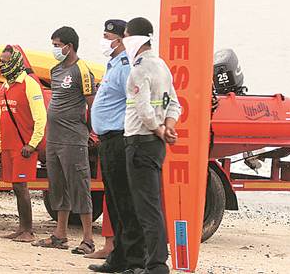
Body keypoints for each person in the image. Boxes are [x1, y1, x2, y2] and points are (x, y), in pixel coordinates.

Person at [120, 17, 181, 274]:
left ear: (134, 37)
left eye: (125, 35)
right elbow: (175, 103)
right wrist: (168, 127)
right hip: (155, 144)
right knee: (151, 205)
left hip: (140, 141)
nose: (123, 41)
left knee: (146, 208)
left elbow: (144, 109)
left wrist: (158, 128)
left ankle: (156, 265)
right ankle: (151, 262)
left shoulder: (139, 69)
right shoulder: (162, 66)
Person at [86, 19, 145, 273]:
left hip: (120, 139)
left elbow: (135, 100)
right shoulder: (112, 65)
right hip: (108, 141)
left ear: (121, 40)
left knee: (125, 201)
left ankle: (134, 261)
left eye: (108, 36)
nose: (104, 40)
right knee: (114, 202)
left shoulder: (124, 67)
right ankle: (118, 257)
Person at [34, 26, 96, 255]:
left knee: (79, 186)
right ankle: (60, 234)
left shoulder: (83, 70)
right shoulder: (55, 70)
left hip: (73, 139)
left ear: (69, 46)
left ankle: (88, 239)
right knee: (57, 186)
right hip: (54, 138)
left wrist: (91, 131)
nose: (54, 49)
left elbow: (93, 103)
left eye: (57, 45)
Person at [0, 45, 47, 242]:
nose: (1, 65)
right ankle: (21, 228)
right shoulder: (5, 87)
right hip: (8, 144)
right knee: (15, 186)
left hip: (24, 147)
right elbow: (1, 118)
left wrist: (32, 144)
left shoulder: (29, 84)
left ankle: (28, 231)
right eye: (0, 61)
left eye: (5, 62)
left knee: (22, 187)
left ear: (14, 62)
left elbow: (41, 117)